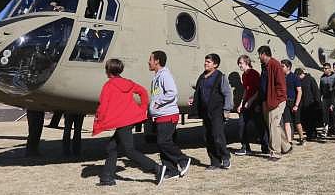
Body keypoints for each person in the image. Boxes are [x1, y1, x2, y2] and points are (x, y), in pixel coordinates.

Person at [93, 58, 165, 187]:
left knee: (129, 151)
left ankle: (156, 168)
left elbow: (103, 106)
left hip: (123, 122)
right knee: (111, 147)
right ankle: (107, 178)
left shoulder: (108, 85)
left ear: (108, 71)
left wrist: (99, 121)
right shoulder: (128, 83)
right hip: (130, 119)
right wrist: (142, 109)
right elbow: (143, 92)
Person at [148, 50, 191, 179]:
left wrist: (158, 103)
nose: (148, 62)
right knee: (162, 144)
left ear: (157, 61)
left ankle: (183, 159)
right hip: (160, 116)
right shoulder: (157, 76)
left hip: (168, 115)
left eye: (150, 59)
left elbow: (172, 92)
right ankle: (171, 170)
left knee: (163, 142)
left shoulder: (165, 75)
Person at [190, 53, 233, 170]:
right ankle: (214, 162)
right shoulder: (202, 77)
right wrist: (193, 100)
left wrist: (227, 109)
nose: (205, 63)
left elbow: (227, 93)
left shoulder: (220, 77)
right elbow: (198, 91)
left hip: (217, 111)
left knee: (217, 135)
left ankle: (225, 157)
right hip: (206, 112)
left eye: (208, 62)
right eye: (205, 61)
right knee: (207, 137)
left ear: (215, 64)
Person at [258, 45, 292, 160]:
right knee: (273, 126)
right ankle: (286, 147)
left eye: (260, 54)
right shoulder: (265, 66)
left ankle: (275, 152)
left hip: (276, 101)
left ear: (264, 54)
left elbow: (281, 85)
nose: (258, 57)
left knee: (274, 125)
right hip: (268, 100)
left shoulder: (275, 65)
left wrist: (277, 100)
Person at [234, 54, 267, 155]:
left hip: (256, 103)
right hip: (247, 104)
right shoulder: (244, 75)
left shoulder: (254, 73)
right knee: (241, 124)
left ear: (247, 63)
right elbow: (246, 90)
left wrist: (251, 101)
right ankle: (245, 147)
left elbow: (258, 90)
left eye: (241, 63)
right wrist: (241, 104)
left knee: (259, 126)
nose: (239, 65)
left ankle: (265, 147)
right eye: (238, 63)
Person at [295, 68, 322, 141]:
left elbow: (316, 91)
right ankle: (309, 134)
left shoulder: (310, 79)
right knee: (305, 120)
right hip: (303, 104)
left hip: (311, 103)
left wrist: (317, 102)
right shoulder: (299, 81)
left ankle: (313, 134)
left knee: (311, 120)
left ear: (301, 74)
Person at [281, 59, 303, 144]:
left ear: (288, 67)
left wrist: (296, 105)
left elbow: (299, 91)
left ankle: (301, 137)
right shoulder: (282, 77)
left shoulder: (294, 77)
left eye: (283, 66)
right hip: (285, 102)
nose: (281, 68)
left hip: (294, 102)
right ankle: (289, 141)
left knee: (297, 122)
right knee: (287, 121)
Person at [319, 62, 335, 136]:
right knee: (325, 115)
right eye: (323, 68)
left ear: (330, 69)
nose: (324, 70)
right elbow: (320, 89)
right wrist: (320, 98)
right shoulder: (322, 78)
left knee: (334, 114)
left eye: (326, 68)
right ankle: (325, 129)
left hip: (333, 98)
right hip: (325, 99)